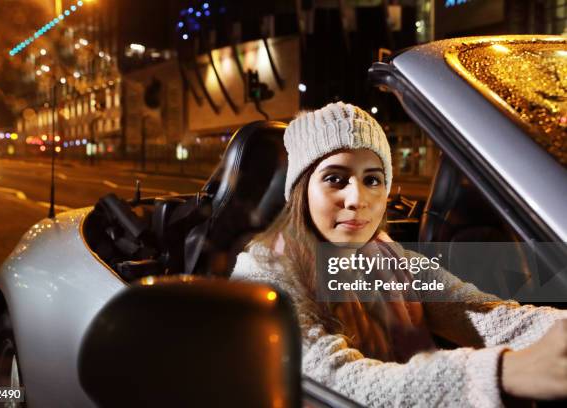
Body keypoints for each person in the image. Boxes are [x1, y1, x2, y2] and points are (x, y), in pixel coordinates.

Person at [231, 102, 567, 407]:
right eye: (335, 178)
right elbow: (338, 380)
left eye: (373, 180)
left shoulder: (389, 259)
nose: (357, 199)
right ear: (301, 190)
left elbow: (479, 312)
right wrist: (503, 372)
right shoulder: (261, 274)